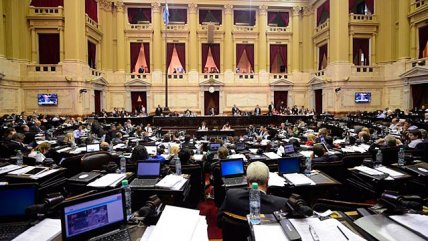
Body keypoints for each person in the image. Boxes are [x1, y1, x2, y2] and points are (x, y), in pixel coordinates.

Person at [217, 161, 287, 227]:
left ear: (247, 181)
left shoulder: (231, 195)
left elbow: (219, 222)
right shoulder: (282, 204)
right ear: (267, 181)